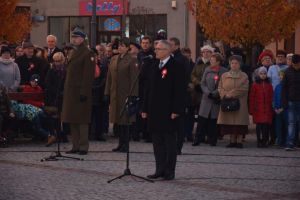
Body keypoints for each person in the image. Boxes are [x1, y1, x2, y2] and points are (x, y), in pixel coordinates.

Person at [141, 40, 185, 180]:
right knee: (157, 143)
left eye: (159, 49)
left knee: (169, 142)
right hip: (154, 110)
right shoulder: (153, 65)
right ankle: (159, 169)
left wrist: (176, 110)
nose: (156, 51)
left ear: (167, 50)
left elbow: (180, 90)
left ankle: (169, 171)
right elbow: (148, 89)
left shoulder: (176, 66)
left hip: (169, 111)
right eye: (156, 49)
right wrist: (145, 108)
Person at [61, 28, 95, 155]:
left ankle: (83, 146)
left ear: (82, 39)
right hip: (71, 91)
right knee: (72, 119)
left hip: (81, 91)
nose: (73, 39)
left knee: (82, 120)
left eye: (76, 37)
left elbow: (88, 75)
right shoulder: (73, 52)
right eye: (72, 37)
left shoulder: (88, 53)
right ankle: (75, 145)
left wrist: (84, 92)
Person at [104, 37, 139, 152]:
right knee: (118, 120)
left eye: (123, 45)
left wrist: (133, 95)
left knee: (125, 121)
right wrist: (107, 92)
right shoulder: (114, 59)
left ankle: (125, 144)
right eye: (119, 45)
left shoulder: (132, 60)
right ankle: (120, 143)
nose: (120, 47)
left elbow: (134, 79)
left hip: (125, 94)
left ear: (128, 48)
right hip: (115, 94)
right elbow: (109, 77)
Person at [193, 53, 227, 146]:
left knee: (213, 121)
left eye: (213, 61)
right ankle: (198, 139)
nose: (211, 62)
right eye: (211, 60)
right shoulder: (207, 70)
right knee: (202, 120)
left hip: (216, 99)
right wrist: (207, 92)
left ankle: (212, 139)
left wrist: (215, 93)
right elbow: (202, 83)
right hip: (206, 98)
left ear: (218, 62)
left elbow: (223, 85)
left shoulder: (224, 71)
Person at [217, 55, 249, 148]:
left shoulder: (244, 76)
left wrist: (232, 94)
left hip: (240, 102)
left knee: (239, 123)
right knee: (230, 122)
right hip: (227, 102)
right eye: (232, 63)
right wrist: (224, 94)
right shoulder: (224, 75)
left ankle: (239, 141)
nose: (234, 65)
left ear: (240, 65)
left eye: (236, 63)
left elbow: (244, 89)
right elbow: (220, 87)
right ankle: (232, 141)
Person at [44, 52, 67, 146]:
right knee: (54, 117)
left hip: (63, 96)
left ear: (62, 60)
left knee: (62, 117)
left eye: (59, 61)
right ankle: (55, 134)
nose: (57, 63)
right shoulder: (51, 70)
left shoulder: (65, 70)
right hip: (53, 97)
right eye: (55, 61)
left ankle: (62, 134)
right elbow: (47, 83)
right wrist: (56, 91)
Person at [137, 36, 156, 142]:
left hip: (149, 84)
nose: (145, 44)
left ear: (150, 44)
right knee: (141, 108)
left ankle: (149, 133)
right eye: (143, 43)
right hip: (140, 83)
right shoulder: (139, 54)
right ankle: (142, 131)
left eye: (147, 43)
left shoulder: (153, 55)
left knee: (148, 108)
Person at [249, 67, 274, 147]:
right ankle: (259, 141)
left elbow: (271, 97)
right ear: (258, 74)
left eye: (264, 74)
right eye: (261, 74)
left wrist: (272, 107)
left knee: (266, 126)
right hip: (258, 109)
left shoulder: (269, 85)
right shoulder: (255, 85)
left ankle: (265, 140)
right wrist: (251, 109)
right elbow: (251, 97)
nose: (263, 75)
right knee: (259, 126)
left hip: (267, 109)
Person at [281, 54, 300, 151]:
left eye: (297, 64)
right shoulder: (287, 72)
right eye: (294, 64)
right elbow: (283, 88)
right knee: (291, 123)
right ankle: (289, 143)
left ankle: (296, 143)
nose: (296, 66)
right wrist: (284, 102)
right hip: (291, 101)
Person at [181, 47, 195, 142]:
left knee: (190, 114)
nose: (186, 57)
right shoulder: (179, 65)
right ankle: (182, 134)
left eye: (188, 54)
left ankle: (189, 133)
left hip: (192, 93)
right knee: (182, 115)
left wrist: (192, 84)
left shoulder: (194, 65)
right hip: (182, 92)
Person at [273, 70, 287, 146]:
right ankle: (279, 140)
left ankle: (285, 141)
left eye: (283, 76)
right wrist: (275, 108)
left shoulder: (287, 87)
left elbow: (288, 99)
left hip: (285, 110)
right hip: (277, 110)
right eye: (280, 76)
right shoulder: (277, 87)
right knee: (278, 126)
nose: (281, 77)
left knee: (286, 126)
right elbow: (274, 98)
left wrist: (283, 108)